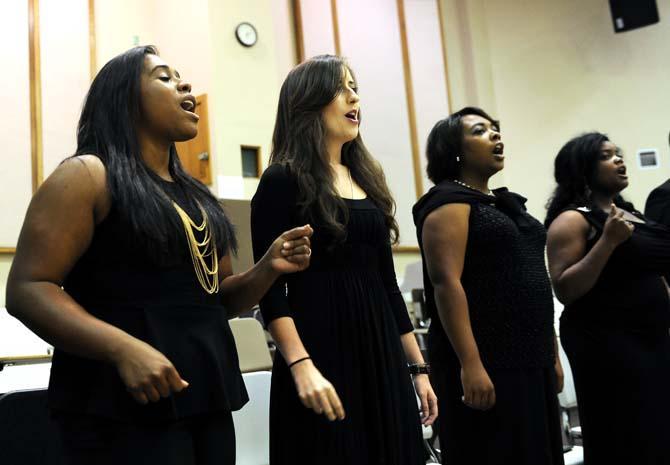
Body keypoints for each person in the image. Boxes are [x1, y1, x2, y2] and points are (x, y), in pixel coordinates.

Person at [5, 45, 313, 465]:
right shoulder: (87, 175)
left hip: (205, 396)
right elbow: (28, 288)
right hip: (118, 406)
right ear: (124, 100)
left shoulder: (200, 199)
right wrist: (123, 349)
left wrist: (268, 268)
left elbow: (216, 300)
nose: (184, 84)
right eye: (164, 77)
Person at [250, 54, 437, 465]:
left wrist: (418, 369)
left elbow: (387, 285)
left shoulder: (365, 178)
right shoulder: (282, 178)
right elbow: (271, 291)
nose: (355, 98)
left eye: (356, 88)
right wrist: (300, 364)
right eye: (342, 88)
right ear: (309, 101)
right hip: (320, 351)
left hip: (382, 354)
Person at [413, 107, 564, 465]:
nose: (496, 136)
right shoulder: (448, 203)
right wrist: (471, 363)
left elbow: (536, 284)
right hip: (488, 357)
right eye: (481, 131)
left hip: (530, 355)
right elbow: (445, 284)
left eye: (496, 129)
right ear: (455, 150)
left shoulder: (500, 204)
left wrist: (552, 353)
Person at [545, 132, 670, 465]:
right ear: (583, 169)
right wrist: (607, 243)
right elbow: (565, 289)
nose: (619, 160)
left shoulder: (630, 214)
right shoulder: (572, 219)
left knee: (658, 433)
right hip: (608, 343)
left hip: (652, 338)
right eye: (606, 155)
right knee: (627, 436)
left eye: (619, 153)